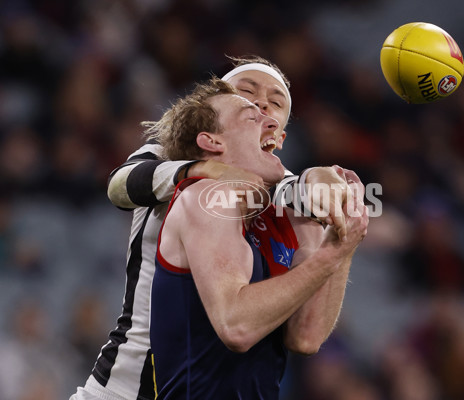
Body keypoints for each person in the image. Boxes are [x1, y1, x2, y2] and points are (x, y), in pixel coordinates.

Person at [71, 57, 363, 400]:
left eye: (275, 101)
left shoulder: (281, 194)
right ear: (210, 131)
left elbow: (298, 188)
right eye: (247, 95)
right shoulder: (172, 163)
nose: (262, 103)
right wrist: (205, 169)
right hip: (128, 385)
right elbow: (119, 186)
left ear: (279, 136)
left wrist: (324, 183)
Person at [148, 77, 368, 399]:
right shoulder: (204, 196)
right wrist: (328, 257)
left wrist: (340, 241)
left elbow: (306, 336)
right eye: (251, 115)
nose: (271, 120)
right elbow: (236, 327)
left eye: (275, 110)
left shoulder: (288, 217)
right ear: (212, 142)